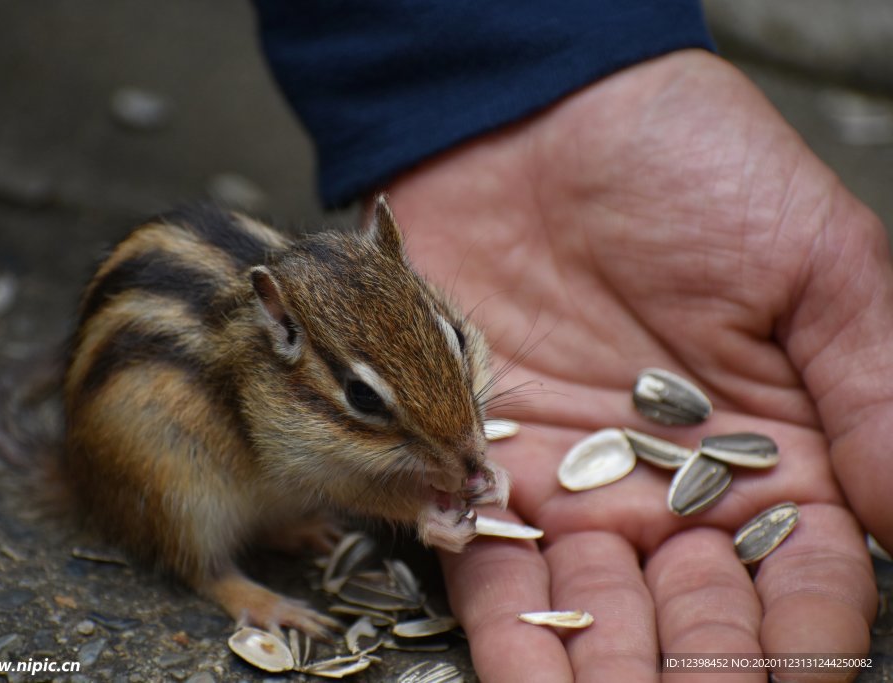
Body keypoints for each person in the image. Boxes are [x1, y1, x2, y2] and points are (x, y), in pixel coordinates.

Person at [255, 2, 890, 680]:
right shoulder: (275, 393)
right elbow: (302, 460)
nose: (477, 446)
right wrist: (413, 503)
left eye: (458, 348)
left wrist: (559, 71)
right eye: (366, 399)